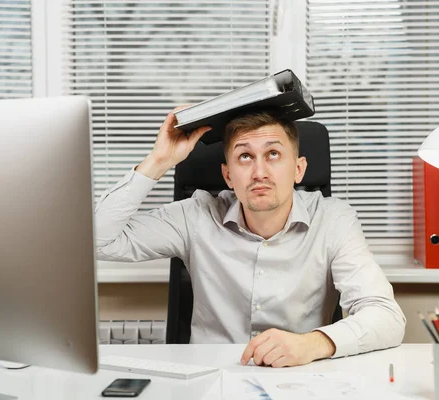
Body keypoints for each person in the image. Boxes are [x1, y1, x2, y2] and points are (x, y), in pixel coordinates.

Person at [95, 106, 406, 368]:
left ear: (298, 170)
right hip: (210, 379)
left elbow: (387, 316)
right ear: (228, 175)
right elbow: (97, 240)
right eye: (245, 157)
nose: (259, 172)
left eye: (273, 154)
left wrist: (312, 344)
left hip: (299, 379)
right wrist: (158, 160)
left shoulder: (333, 219)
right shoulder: (196, 216)